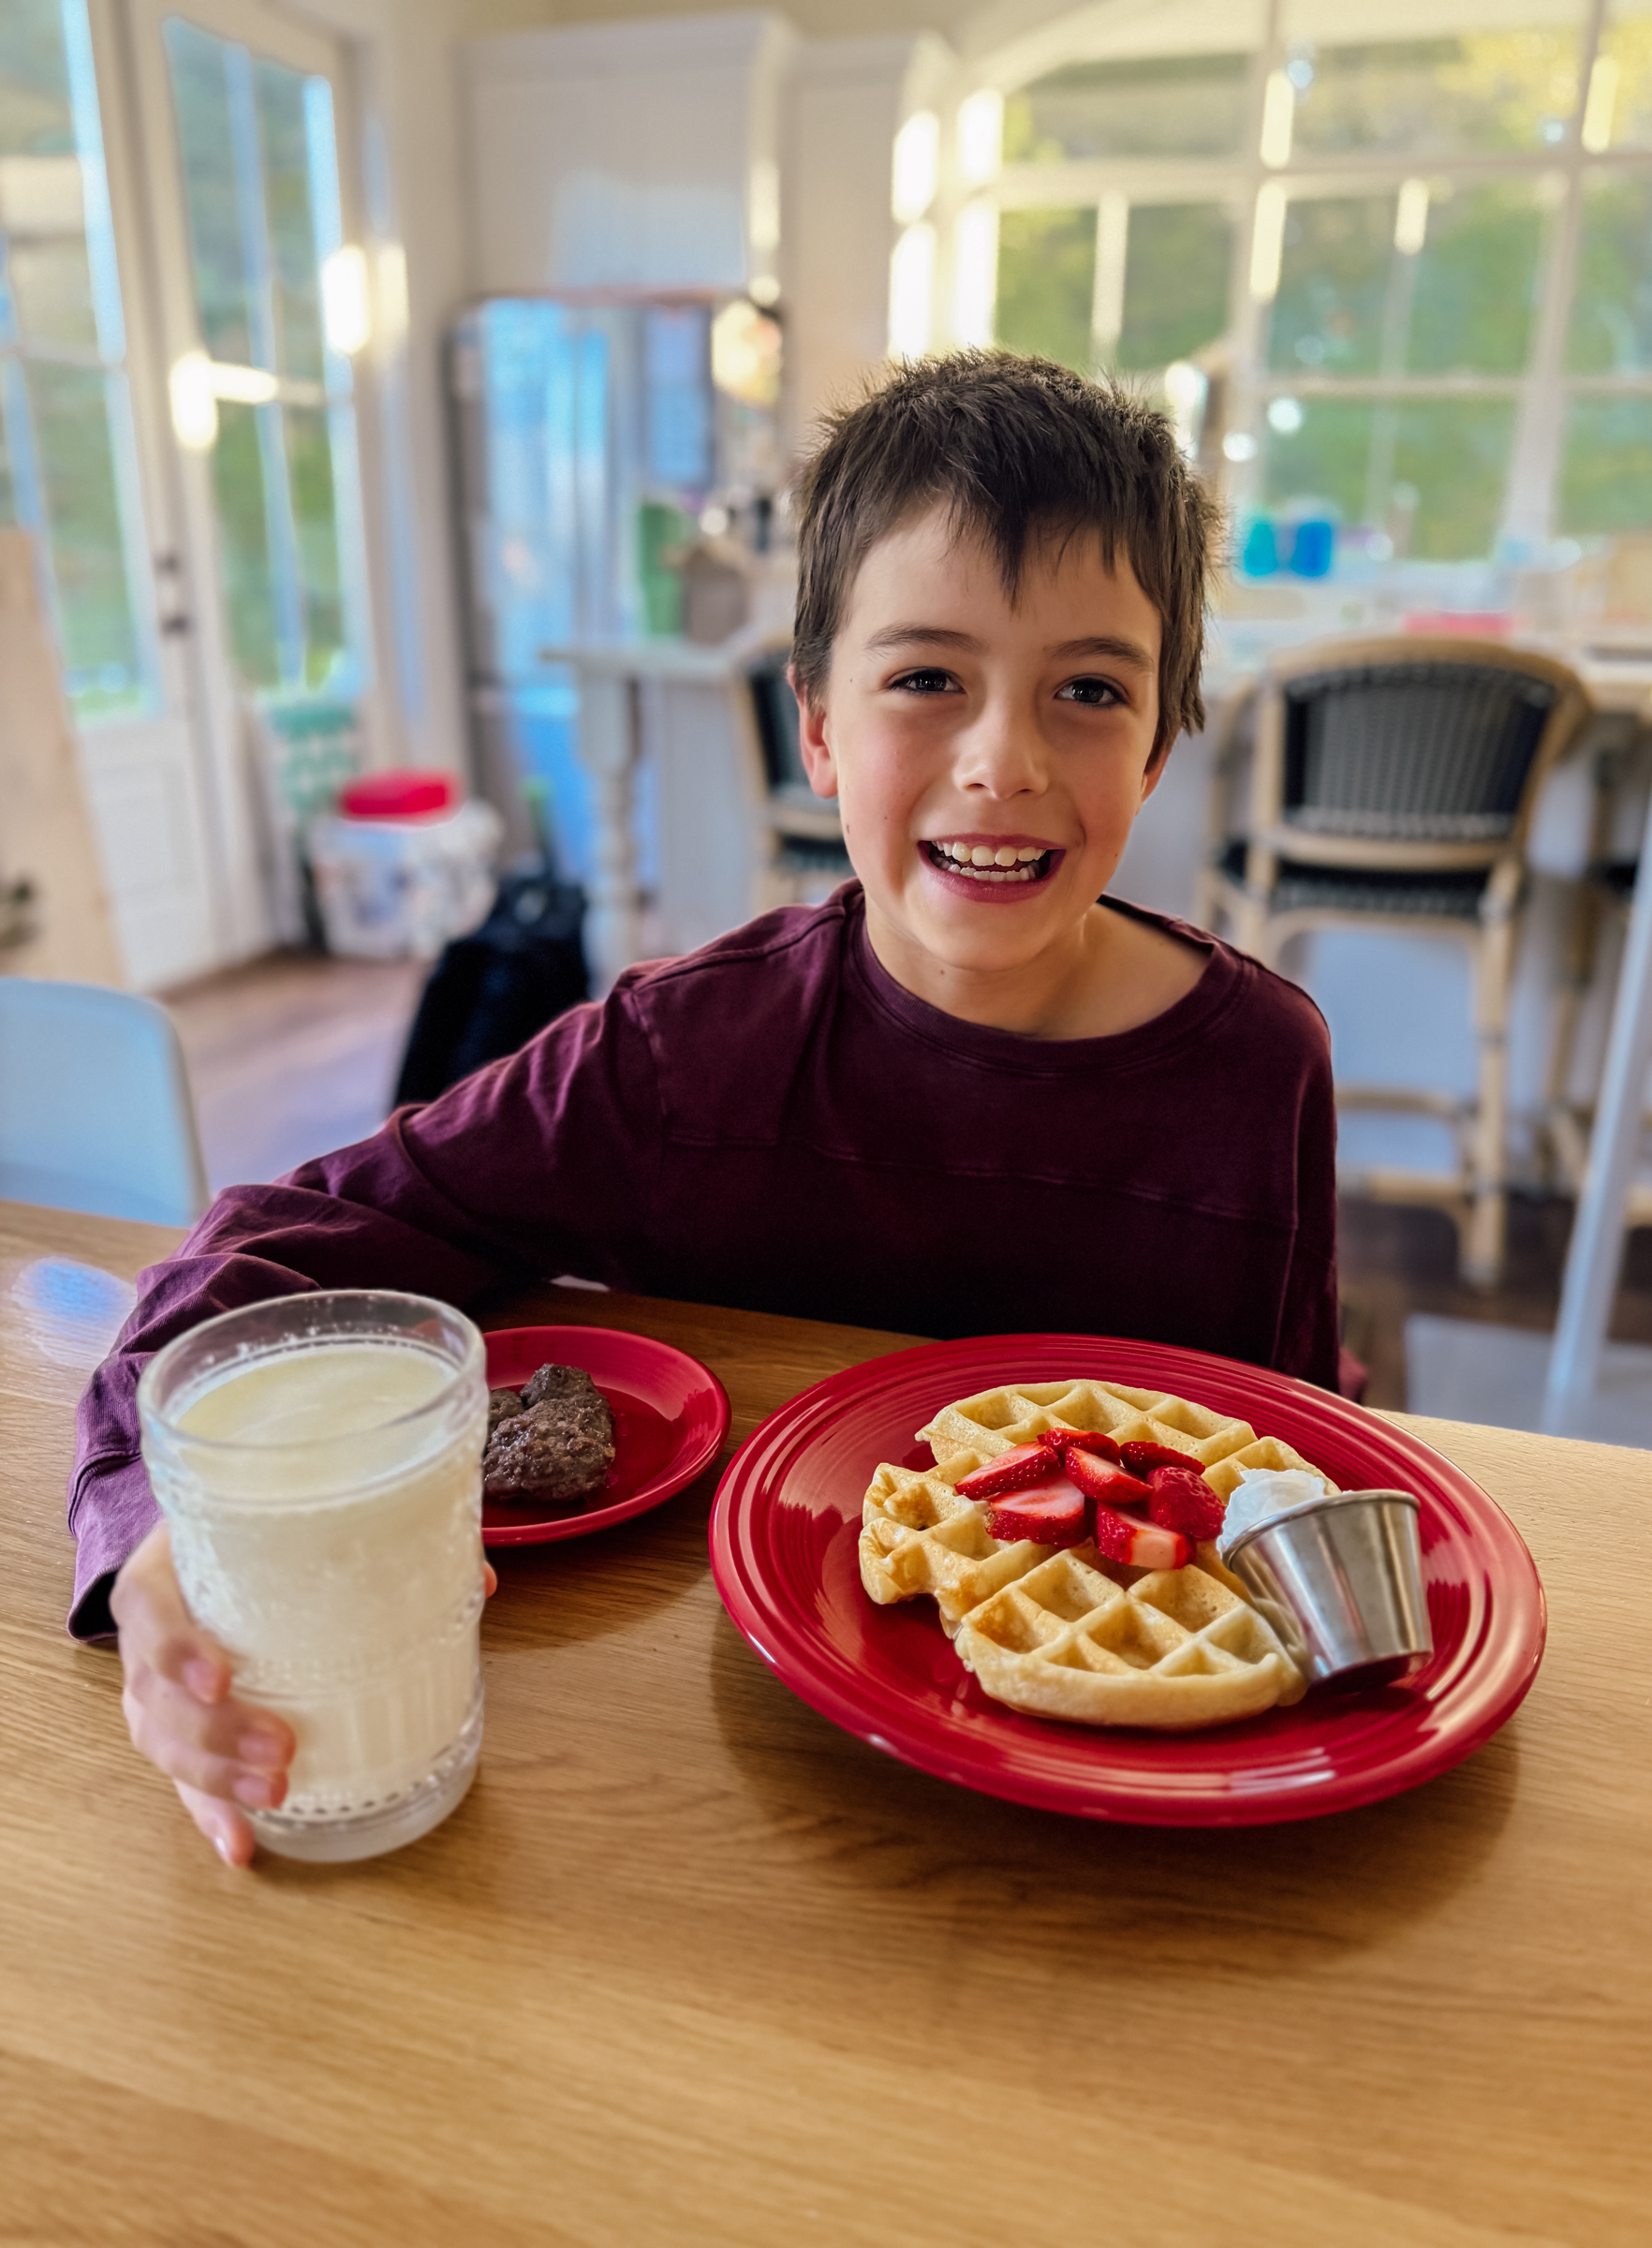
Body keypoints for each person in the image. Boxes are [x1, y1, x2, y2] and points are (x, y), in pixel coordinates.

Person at [74, 350, 1339, 1866]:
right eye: (926, 677)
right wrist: (151, 1534)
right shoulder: (690, 1054)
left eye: (1088, 690)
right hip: (726, 1795)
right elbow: (273, 1247)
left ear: (1162, 736)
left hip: (1147, 1832)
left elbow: (1299, 1452)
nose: (1004, 761)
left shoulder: (1261, 1070)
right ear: (814, 724)